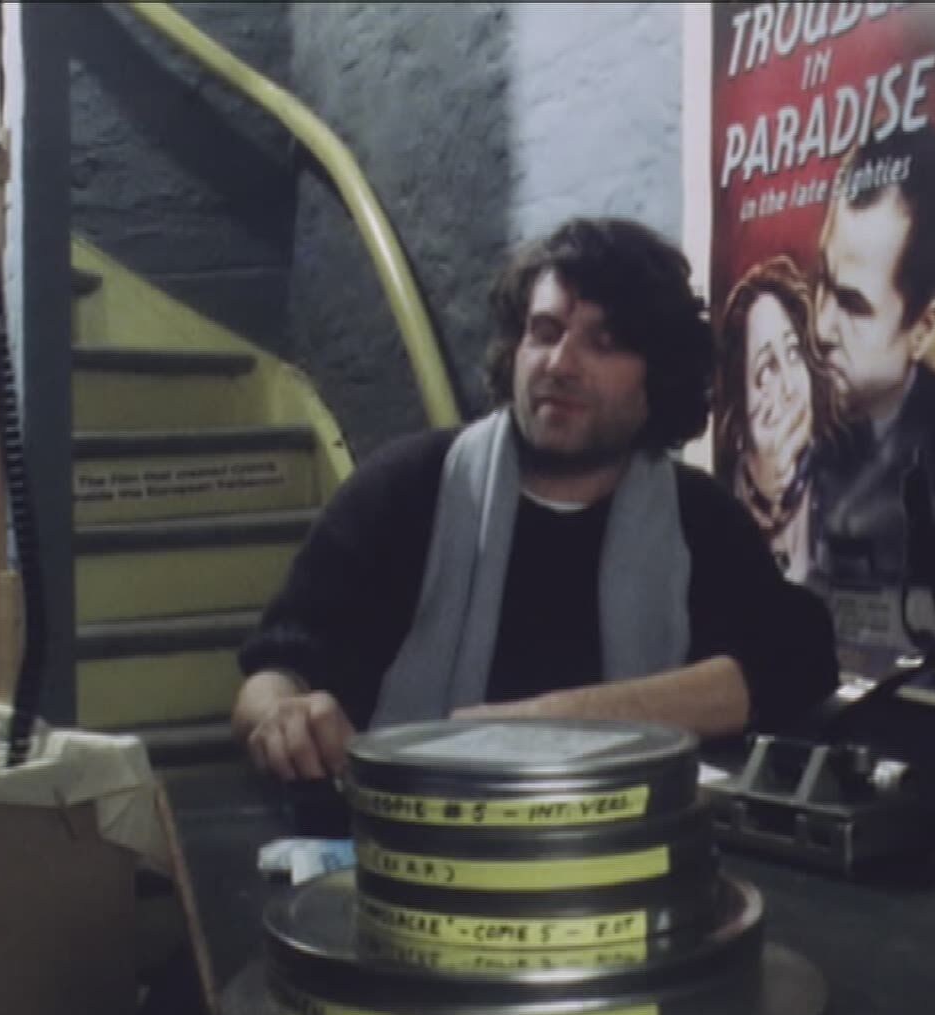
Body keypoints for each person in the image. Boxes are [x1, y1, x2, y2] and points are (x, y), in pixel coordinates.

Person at [233, 217, 841, 782]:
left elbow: (797, 661)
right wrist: (284, 716)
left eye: (604, 343)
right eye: (544, 332)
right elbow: (273, 674)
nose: (560, 364)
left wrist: (539, 726)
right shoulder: (404, 489)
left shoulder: (698, 521)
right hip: (409, 836)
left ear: (659, 376)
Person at [805, 124, 935, 670]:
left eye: (851, 304)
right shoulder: (819, 432)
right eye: (821, 284)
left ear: (923, 328)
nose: (821, 327)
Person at [712, 255, 846, 584]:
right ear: (739, 415)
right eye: (767, 368)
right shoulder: (716, 509)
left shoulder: (847, 479)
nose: (790, 385)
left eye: (793, 352)